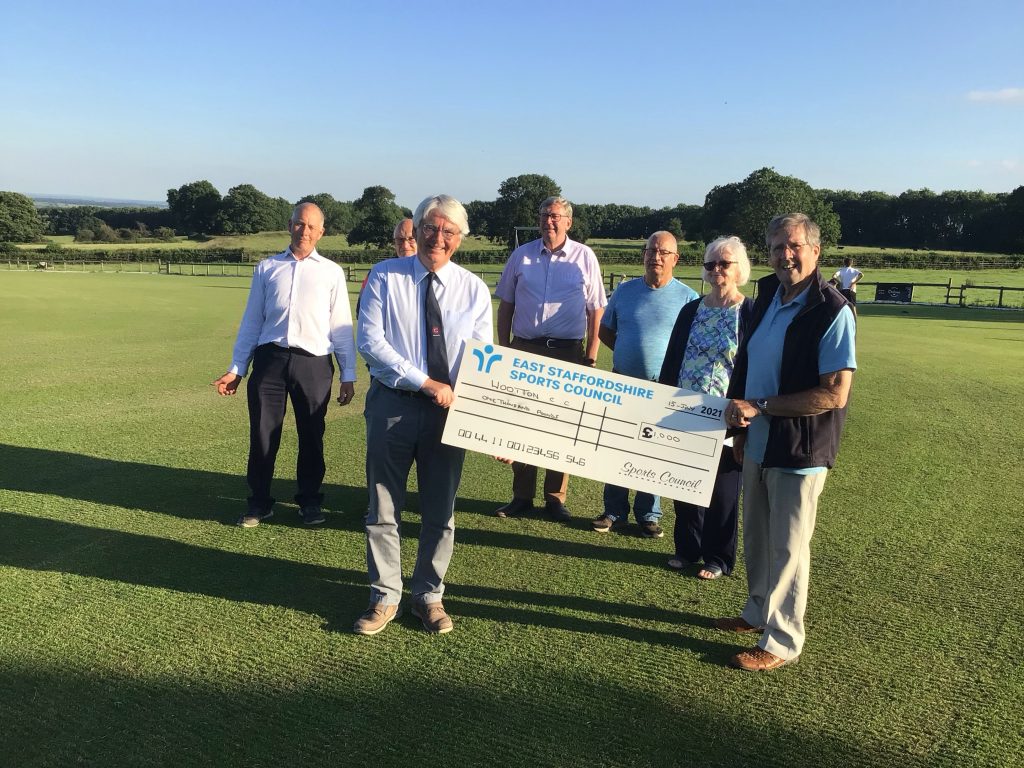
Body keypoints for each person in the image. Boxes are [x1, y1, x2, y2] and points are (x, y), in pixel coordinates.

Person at [718, 213, 856, 671]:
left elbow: (833, 393)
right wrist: (742, 429)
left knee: (789, 548)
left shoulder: (832, 309)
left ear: (816, 251)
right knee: (758, 537)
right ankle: (757, 613)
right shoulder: (767, 298)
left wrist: (760, 406)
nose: (785, 255)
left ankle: (781, 640)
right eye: (777, 247)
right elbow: (747, 367)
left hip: (800, 449)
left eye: (794, 245)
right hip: (758, 442)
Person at [353, 195, 492, 636]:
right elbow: (370, 342)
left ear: (460, 239)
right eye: (430, 228)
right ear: (416, 230)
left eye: (449, 231)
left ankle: (429, 595)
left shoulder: (473, 288)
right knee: (382, 507)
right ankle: (384, 596)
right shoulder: (384, 275)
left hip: (448, 414)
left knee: (440, 509)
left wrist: (494, 424)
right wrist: (426, 382)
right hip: (392, 405)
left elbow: (483, 361)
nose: (438, 238)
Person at [212, 203, 356, 527]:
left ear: (321, 232)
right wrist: (237, 368)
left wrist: (348, 374)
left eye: (311, 226)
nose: (304, 231)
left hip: (314, 363)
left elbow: (341, 326)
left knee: (312, 435)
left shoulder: (331, 272)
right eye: (299, 224)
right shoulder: (267, 268)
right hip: (270, 361)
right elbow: (252, 321)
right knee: (263, 435)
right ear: (290, 225)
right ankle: (259, 502)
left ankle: (310, 501)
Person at [493, 196, 607, 521]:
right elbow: (506, 306)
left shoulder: (584, 257)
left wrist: (591, 357)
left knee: (561, 426)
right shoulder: (521, 255)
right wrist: (505, 349)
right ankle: (522, 496)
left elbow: (596, 310)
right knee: (522, 422)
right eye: (544, 215)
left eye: (555, 216)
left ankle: (555, 498)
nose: (549, 221)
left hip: (567, 353)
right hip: (525, 349)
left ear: (568, 222)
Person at [657, 236, 754, 578]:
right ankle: (687, 548)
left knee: (723, 491)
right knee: (683, 483)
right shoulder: (691, 310)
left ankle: (718, 557)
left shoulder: (750, 312)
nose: (716, 270)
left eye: (724, 264)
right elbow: (673, 359)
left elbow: (753, 367)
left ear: (739, 269)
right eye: (710, 264)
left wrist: (747, 417)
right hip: (684, 412)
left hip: (728, 417)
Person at [591, 231, 698, 538]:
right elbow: (606, 330)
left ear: (675, 259)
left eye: (663, 252)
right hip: (623, 383)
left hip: (662, 388)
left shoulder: (689, 298)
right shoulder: (625, 291)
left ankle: (648, 514)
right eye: (651, 250)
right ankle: (614, 511)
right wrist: (629, 353)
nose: (656, 257)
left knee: (652, 451)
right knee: (618, 446)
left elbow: (693, 345)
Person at [356, 218, 415, 315]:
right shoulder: (378, 273)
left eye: (411, 239)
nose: (405, 245)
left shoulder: (432, 273)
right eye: (400, 240)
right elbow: (362, 310)